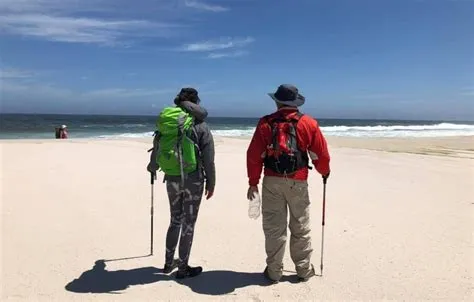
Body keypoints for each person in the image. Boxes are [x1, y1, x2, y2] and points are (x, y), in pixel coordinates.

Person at [246, 84, 331, 283]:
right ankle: (303, 269)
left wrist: (253, 182)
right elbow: (320, 154)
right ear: (295, 103)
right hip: (298, 180)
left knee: (274, 228)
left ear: (277, 101)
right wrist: (324, 172)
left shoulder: (265, 123)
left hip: (272, 180)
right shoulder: (308, 123)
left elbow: (254, 155)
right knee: (300, 226)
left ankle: (274, 271)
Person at [147, 88, 216, 279]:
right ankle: (183, 268)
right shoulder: (199, 125)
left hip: (172, 177)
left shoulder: (167, 124)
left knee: (175, 219)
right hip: (193, 179)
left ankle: (168, 263)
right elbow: (209, 159)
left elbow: (157, 146)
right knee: (189, 223)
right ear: (195, 103)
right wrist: (212, 182)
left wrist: (152, 166)